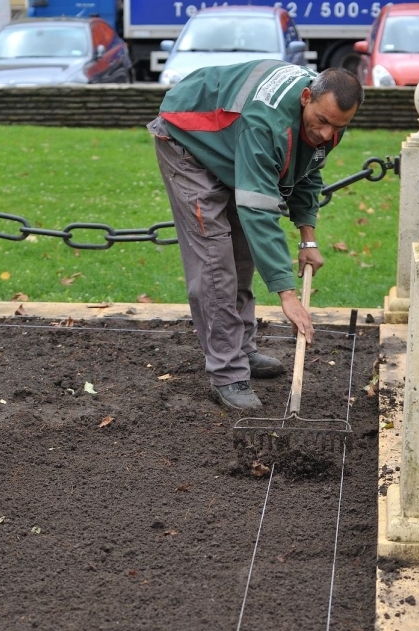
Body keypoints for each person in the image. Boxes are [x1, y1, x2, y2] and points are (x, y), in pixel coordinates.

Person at [148, 63, 364, 412]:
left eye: (338, 126)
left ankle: (242, 349)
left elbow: (306, 171)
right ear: (306, 97)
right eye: (322, 121)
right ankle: (228, 371)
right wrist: (287, 295)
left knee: (242, 253)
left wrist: (308, 239)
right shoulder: (265, 123)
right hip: (188, 138)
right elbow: (259, 211)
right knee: (215, 261)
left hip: (231, 141)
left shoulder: (326, 118)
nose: (327, 133)